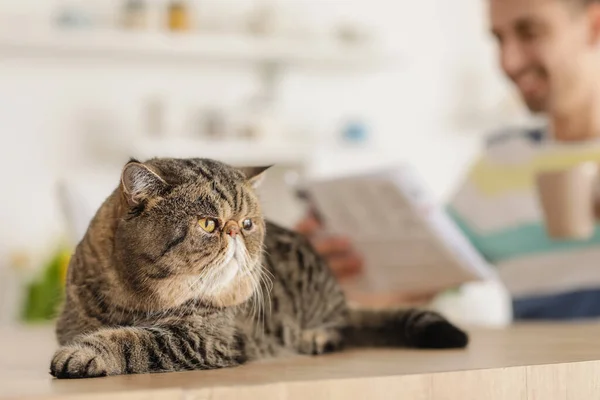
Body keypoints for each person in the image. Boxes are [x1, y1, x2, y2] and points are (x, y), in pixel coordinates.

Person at [298, 0, 600, 319]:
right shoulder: (499, 162)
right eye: (498, 38)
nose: (508, 62)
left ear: (594, 26)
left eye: (530, 32)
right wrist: (329, 271)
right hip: (535, 369)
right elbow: (412, 285)